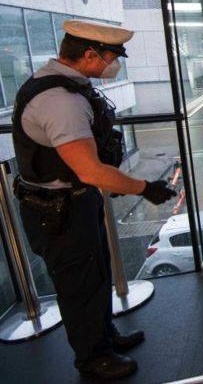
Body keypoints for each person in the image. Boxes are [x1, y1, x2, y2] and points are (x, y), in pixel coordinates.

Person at [12, 21, 177, 380]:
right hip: (58, 211)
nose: (114, 65)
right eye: (111, 58)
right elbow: (89, 170)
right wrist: (144, 188)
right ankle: (93, 359)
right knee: (79, 286)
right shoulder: (60, 101)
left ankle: (104, 337)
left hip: (75, 202)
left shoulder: (67, 85)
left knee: (96, 273)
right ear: (89, 55)